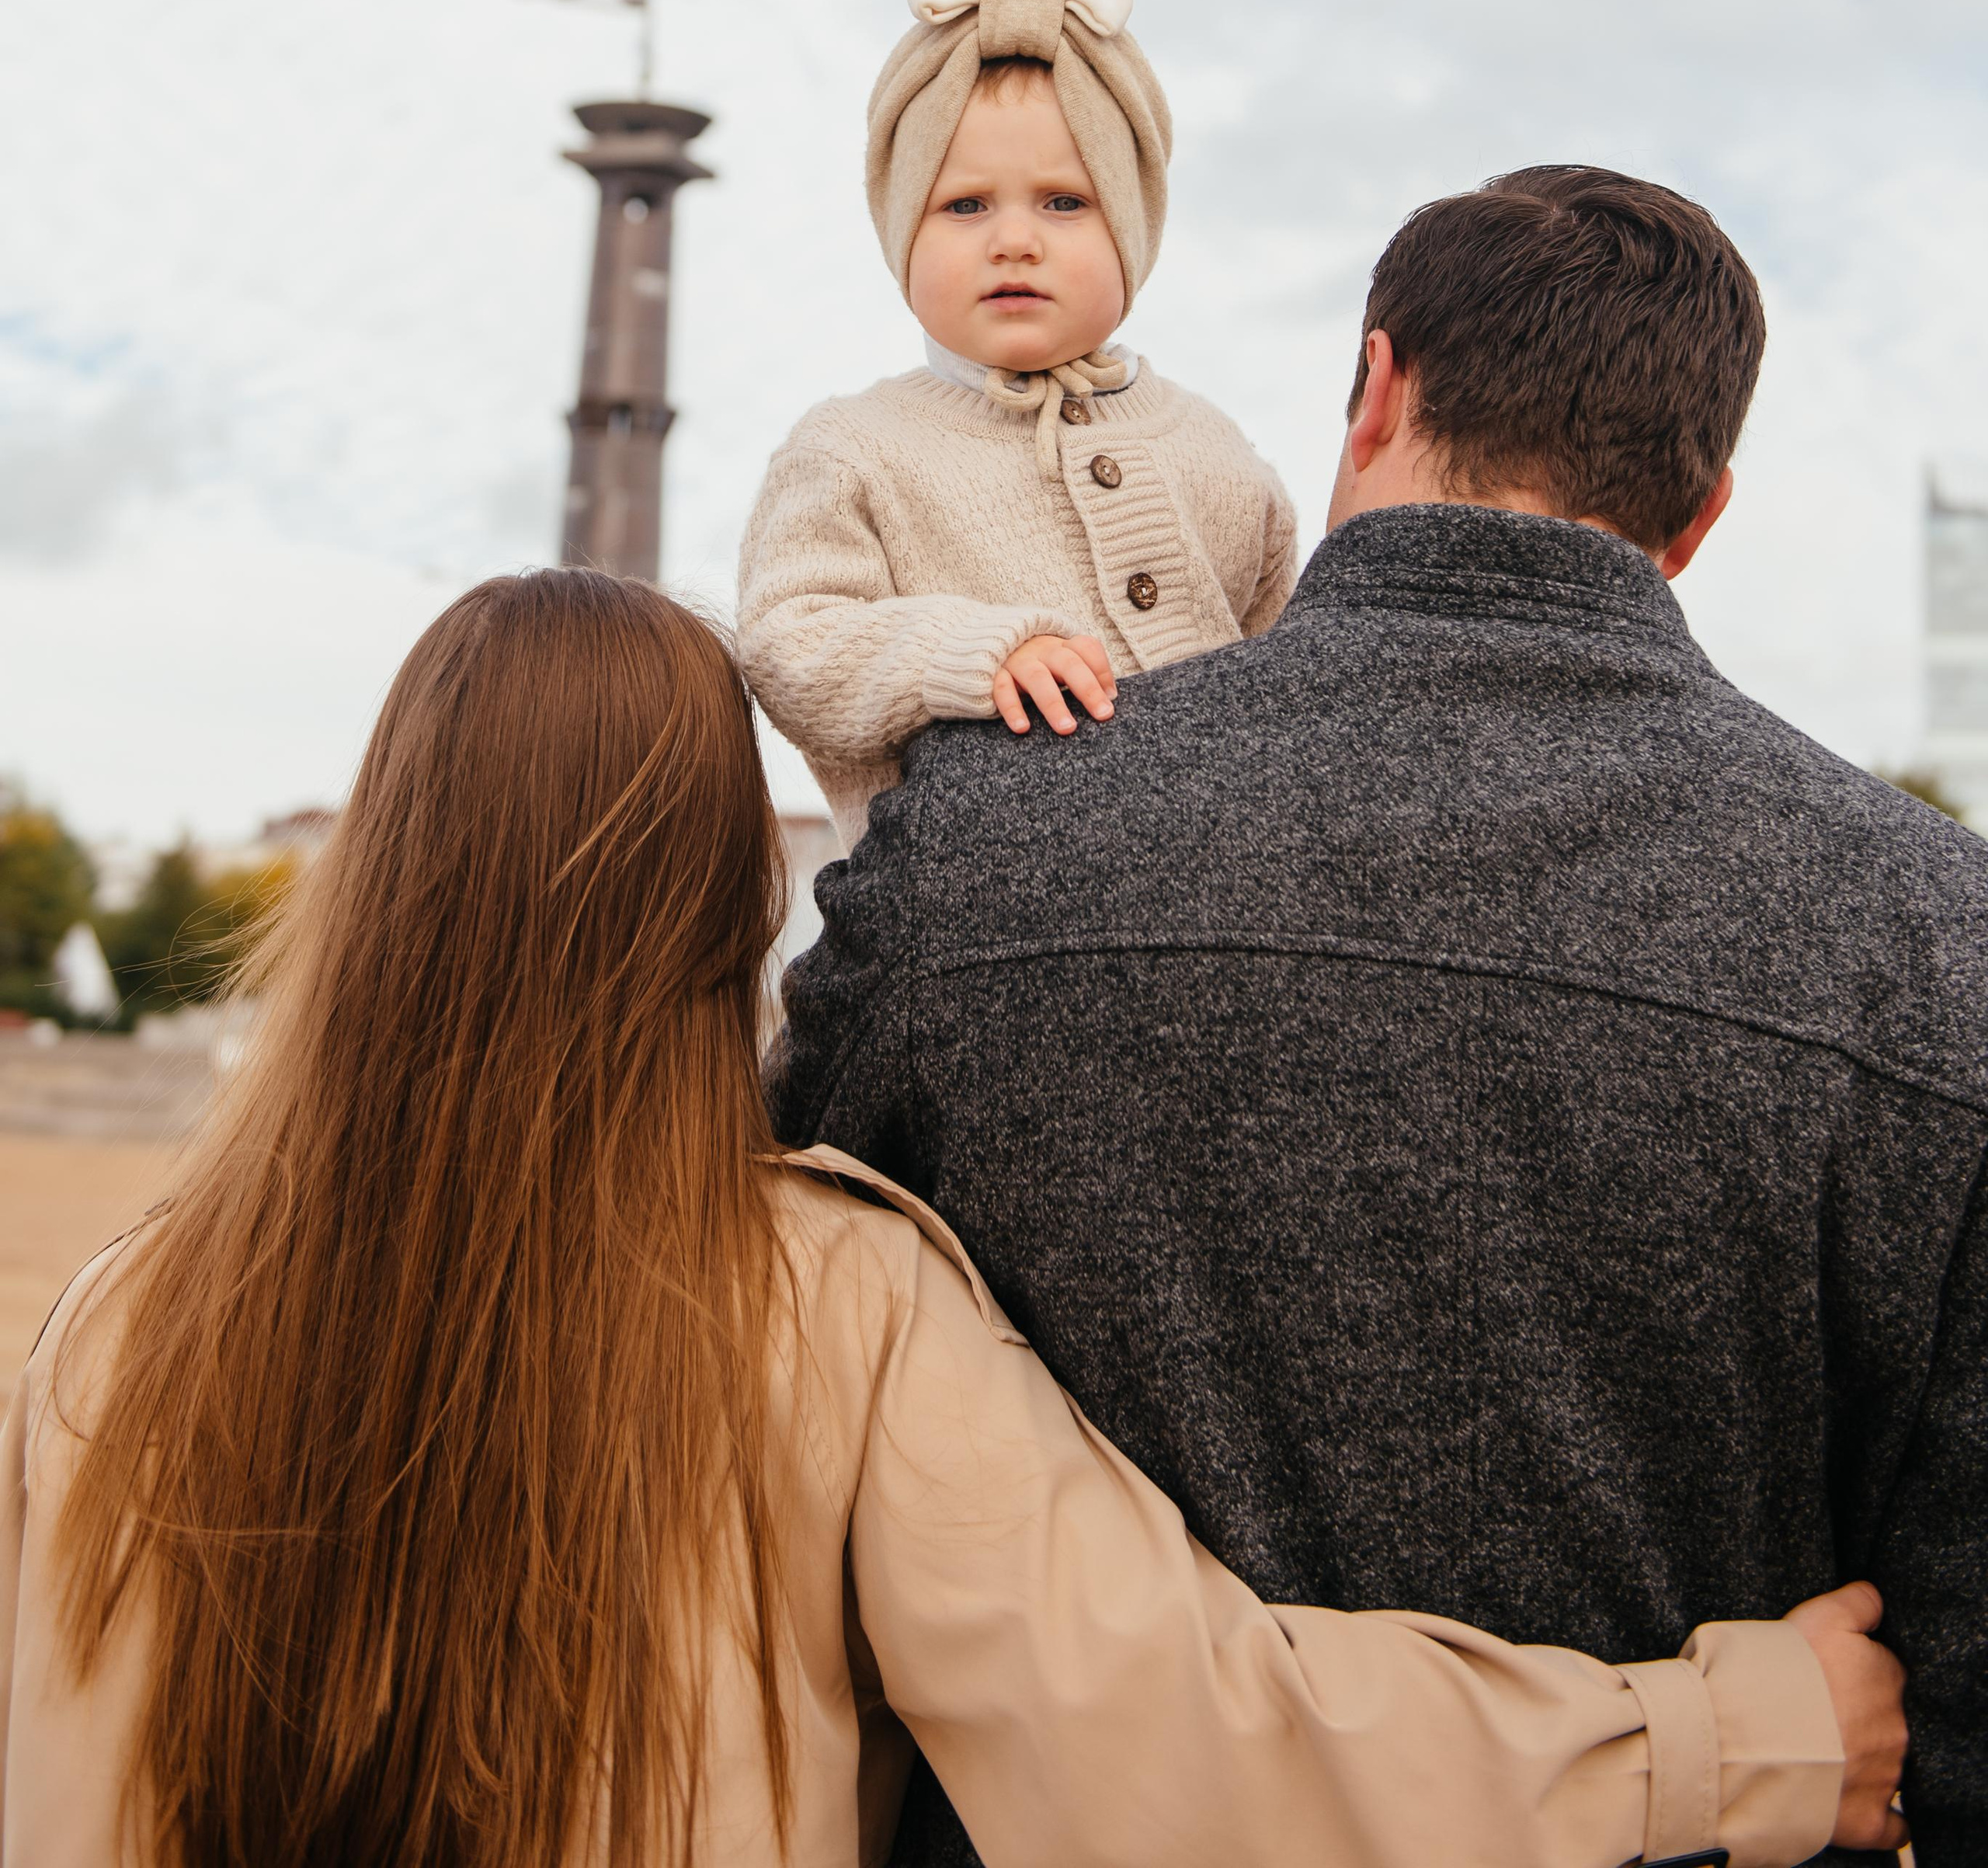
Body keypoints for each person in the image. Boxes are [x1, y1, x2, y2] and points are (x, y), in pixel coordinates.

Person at [0, 571, 1895, 1868]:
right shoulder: (814, 1302)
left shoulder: (104, 1328)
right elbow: (1187, 1746)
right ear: (718, 900)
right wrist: (1740, 1726)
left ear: (376, 869)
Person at [769, 163, 1986, 1867]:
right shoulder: (1935, 943)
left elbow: (769, 1401)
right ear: (1700, 510)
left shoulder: (976, 848)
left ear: (1373, 389)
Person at [738, 0, 1295, 847]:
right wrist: (971, 653)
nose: (1013, 240)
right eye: (963, 207)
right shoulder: (852, 447)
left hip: (1223, 920)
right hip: (957, 924)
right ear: (898, 230)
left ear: (1135, 226)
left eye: (1065, 203)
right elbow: (792, 647)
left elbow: (1283, 678)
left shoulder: (1218, 451)